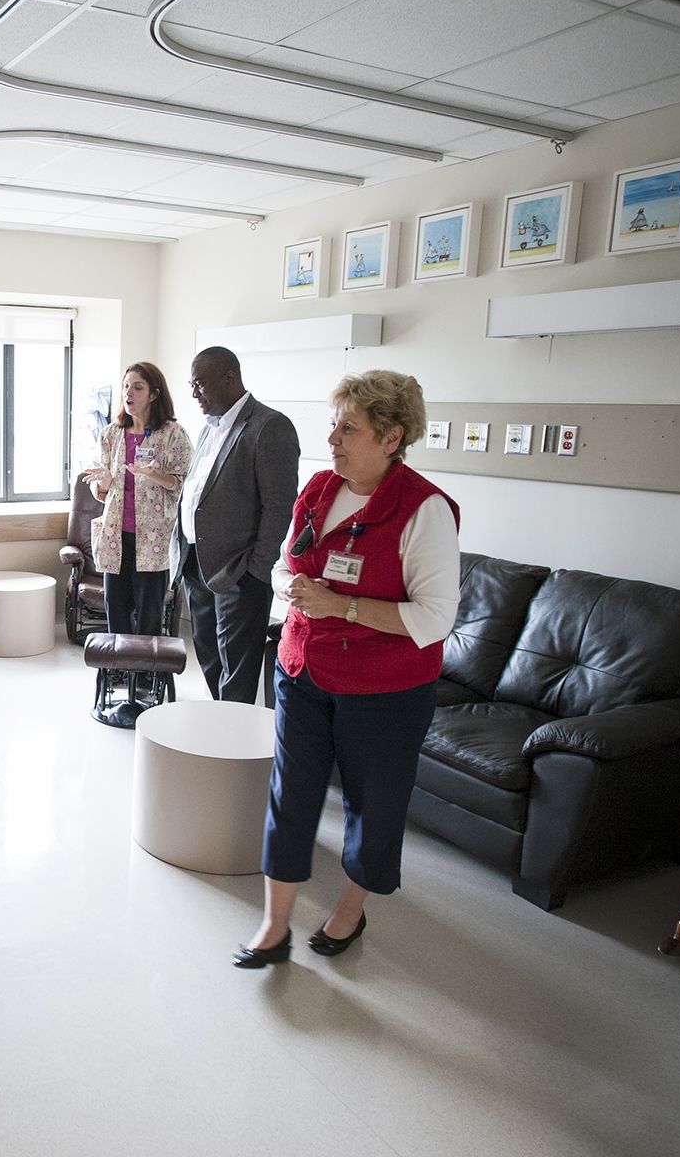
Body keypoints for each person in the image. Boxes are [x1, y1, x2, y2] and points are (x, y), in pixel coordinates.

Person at [232, 370, 460, 968]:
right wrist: (296, 588)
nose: (332, 438)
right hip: (303, 669)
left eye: (348, 428)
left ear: (392, 437)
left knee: (372, 803)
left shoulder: (424, 510)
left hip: (384, 690)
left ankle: (351, 910)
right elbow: (285, 567)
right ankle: (274, 924)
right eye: (334, 424)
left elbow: (435, 619)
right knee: (290, 795)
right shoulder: (319, 489)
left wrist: (344, 605)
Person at [172, 346, 300, 703]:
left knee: (237, 666)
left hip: (239, 571)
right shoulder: (208, 428)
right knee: (209, 655)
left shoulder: (269, 426)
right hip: (197, 563)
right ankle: (219, 724)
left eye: (201, 384)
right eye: (192, 385)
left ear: (229, 378)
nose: (195, 393)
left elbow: (279, 506)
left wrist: (256, 570)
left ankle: (235, 745)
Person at [84, 362, 191, 636]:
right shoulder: (111, 434)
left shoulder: (172, 435)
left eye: (137, 387)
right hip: (115, 536)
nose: (128, 392)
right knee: (115, 607)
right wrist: (105, 484)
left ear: (154, 394)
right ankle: (116, 668)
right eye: (126, 386)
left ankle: (145, 673)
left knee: (149, 610)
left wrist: (158, 476)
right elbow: (101, 494)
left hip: (153, 540)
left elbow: (185, 487)